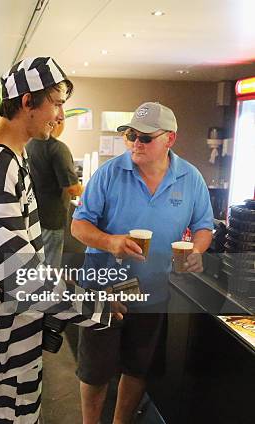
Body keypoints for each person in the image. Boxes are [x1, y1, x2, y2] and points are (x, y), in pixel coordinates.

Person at [0, 57, 121, 423]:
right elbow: (18, 275)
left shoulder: (9, 152)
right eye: (56, 103)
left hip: (6, 337)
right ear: (27, 102)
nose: (60, 115)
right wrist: (94, 307)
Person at [71, 101, 213, 424]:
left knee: (138, 367)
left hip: (152, 291)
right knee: (95, 371)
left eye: (146, 137)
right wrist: (110, 241)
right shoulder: (109, 173)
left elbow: (204, 225)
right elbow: (78, 225)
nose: (137, 142)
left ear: (170, 140)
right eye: (131, 134)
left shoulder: (190, 179)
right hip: (103, 289)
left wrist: (197, 251)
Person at [26, 117, 83, 269]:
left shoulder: (29, 145)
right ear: (57, 123)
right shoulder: (57, 148)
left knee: (37, 267)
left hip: (34, 217)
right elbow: (72, 188)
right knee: (51, 270)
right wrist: (89, 190)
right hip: (52, 220)